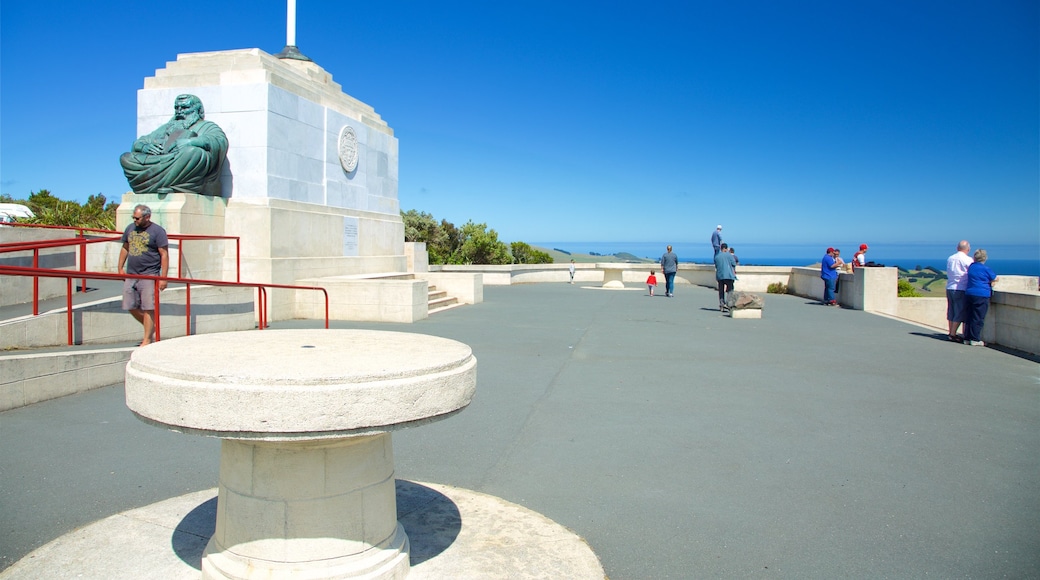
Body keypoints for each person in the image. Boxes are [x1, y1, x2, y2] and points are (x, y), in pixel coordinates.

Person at [120, 94, 229, 195]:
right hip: (159, 159)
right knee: (126, 158)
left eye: (185, 108)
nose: (180, 111)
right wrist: (145, 147)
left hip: (181, 159)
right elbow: (140, 141)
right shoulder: (168, 127)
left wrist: (190, 142)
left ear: (198, 110)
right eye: (177, 108)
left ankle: (173, 185)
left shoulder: (206, 126)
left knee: (195, 153)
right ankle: (163, 184)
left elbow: (219, 140)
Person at [118, 205, 169, 346]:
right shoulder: (130, 228)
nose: (135, 220)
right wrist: (120, 267)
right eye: (133, 217)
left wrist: (163, 278)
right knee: (129, 305)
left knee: (148, 307)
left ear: (147, 217)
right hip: (131, 274)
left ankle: (147, 339)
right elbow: (125, 248)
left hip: (149, 275)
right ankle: (151, 327)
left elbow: (164, 254)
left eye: (137, 218)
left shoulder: (158, 231)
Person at [963, 249, 998, 346]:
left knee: (969, 316)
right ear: (985, 258)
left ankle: (967, 337)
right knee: (978, 317)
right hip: (981, 294)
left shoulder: (971, 267)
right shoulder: (986, 269)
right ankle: (975, 338)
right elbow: (994, 278)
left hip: (970, 293)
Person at [945, 240, 973, 342]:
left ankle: (951, 331)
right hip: (961, 287)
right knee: (959, 311)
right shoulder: (968, 260)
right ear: (968, 249)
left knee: (951, 310)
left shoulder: (950, 258)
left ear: (958, 248)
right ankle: (953, 334)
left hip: (950, 287)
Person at [714, 242, 737, 311]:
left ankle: (721, 304)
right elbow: (734, 263)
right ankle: (729, 304)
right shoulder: (729, 255)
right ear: (725, 249)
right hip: (728, 275)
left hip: (719, 275)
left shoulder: (717, 256)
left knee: (721, 290)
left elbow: (716, 265)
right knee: (730, 290)